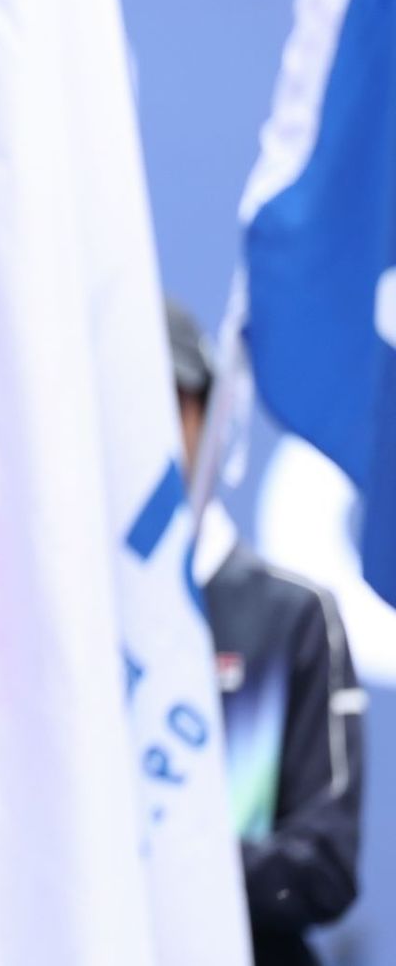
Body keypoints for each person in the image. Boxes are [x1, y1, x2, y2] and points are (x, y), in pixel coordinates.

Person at [170, 303, 364, 966]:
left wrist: (169, 862)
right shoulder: (63, 626)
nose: (142, 436)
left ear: (210, 416)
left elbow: (325, 865)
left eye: (164, 403)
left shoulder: (292, 616)